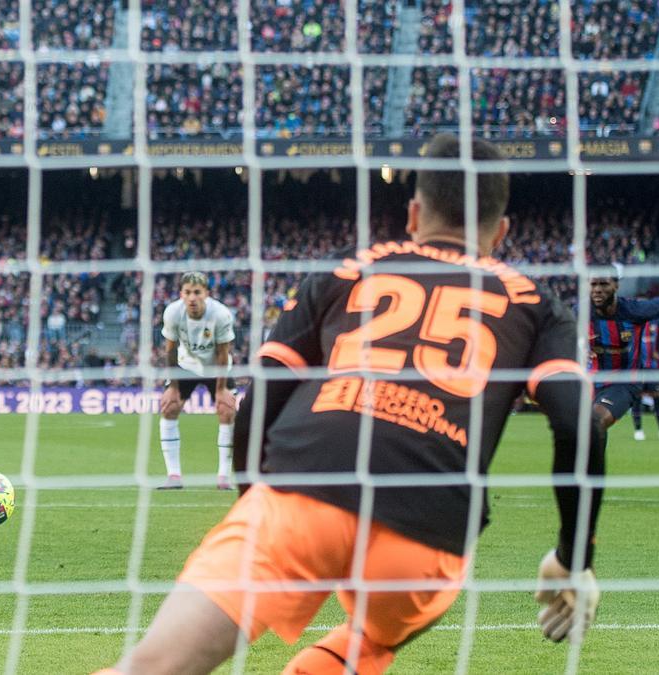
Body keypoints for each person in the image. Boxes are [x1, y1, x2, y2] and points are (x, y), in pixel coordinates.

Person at [103, 135, 605, 675]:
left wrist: (257, 503)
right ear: (501, 232)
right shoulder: (533, 302)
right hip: (425, 526)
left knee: (151, 667)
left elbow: (263, 393)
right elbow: (583, 426)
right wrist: (573, 560)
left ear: (413, 215)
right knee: (375, 637)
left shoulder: (348, 272)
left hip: (299, 493)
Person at [158, 272, 238, 490]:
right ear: (181, 294)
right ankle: (174, 476)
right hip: (187, 365)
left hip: (217, 367)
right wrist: (173, 387)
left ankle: (223, 476)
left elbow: (223, 353)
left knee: (227, 411)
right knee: (169, 408)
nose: (192, 298)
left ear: (206, 294)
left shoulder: (220, 314)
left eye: (197, 292)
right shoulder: (173, 312)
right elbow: (170, 351)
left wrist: (221, 390)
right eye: (187, 292)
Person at [588, 265, 659, 435]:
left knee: (595, 422)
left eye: (603, 284)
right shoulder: (580, 311)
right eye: (593, 284)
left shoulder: (635, 310)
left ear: (616, 286)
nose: (597, 290)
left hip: (623, 381)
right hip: (590, 381)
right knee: (581, 429)